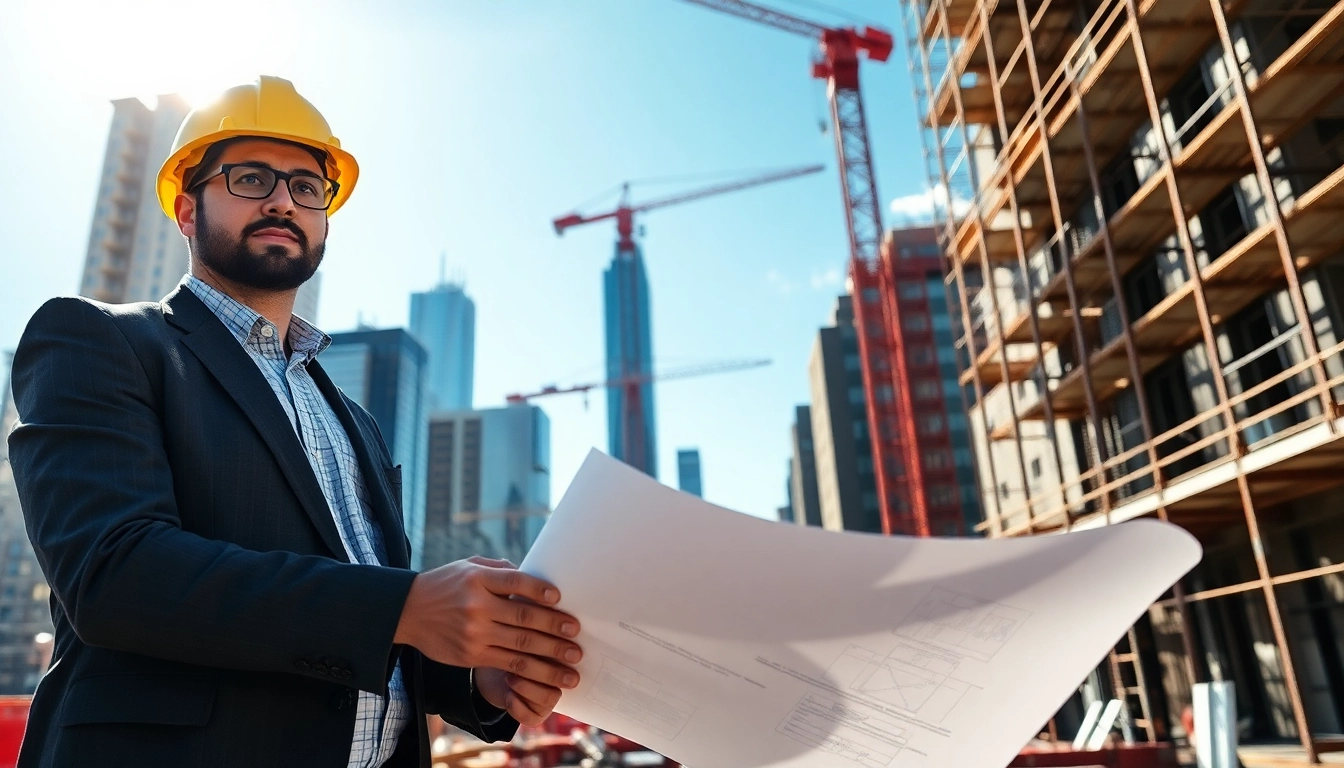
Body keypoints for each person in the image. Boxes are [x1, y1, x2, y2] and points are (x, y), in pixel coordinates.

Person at [6, 76, 582, 768]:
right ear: (187, 210)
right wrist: (406, 605)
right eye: (251, 178)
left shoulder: (354, 422)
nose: (284, 200)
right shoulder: (100, 340)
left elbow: (357, 626)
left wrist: (473, 677)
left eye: (308, 188)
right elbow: (113, 571)